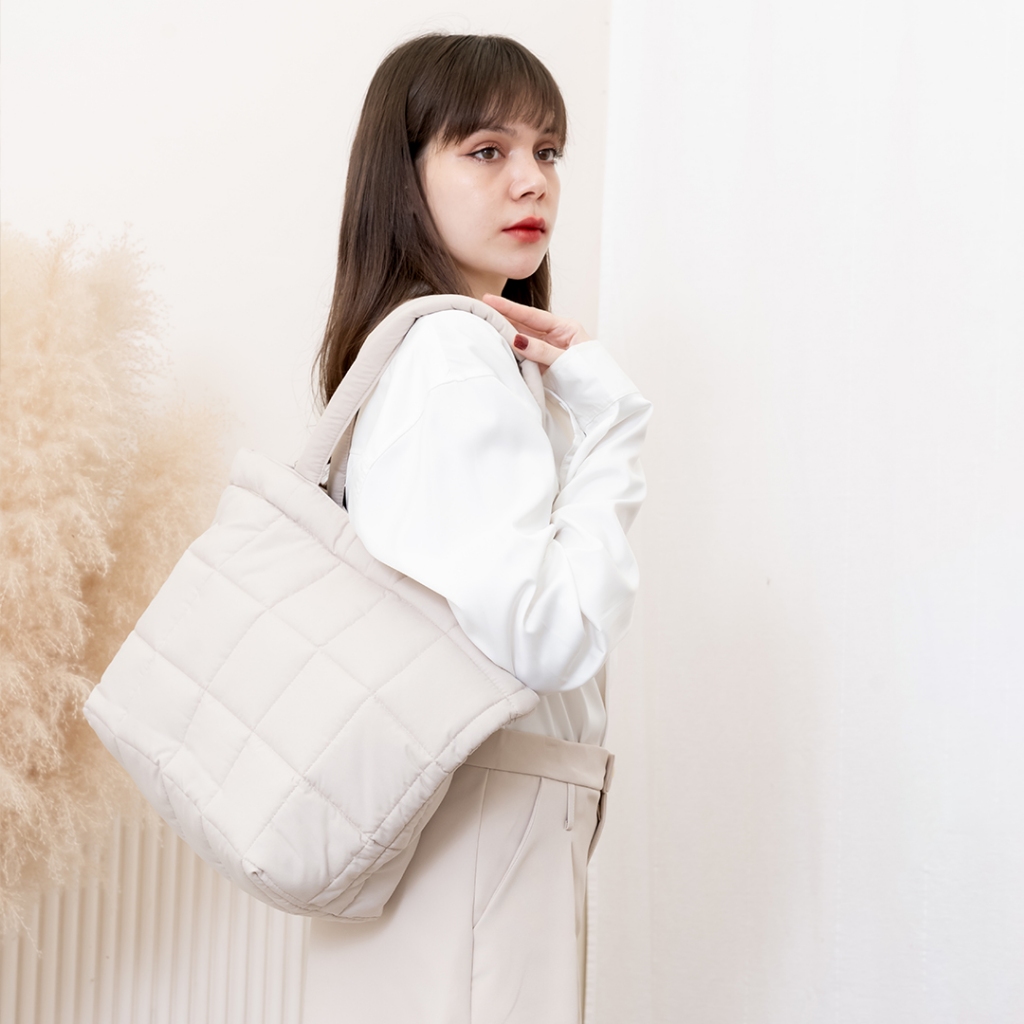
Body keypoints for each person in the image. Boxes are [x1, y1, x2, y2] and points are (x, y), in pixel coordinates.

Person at [302, 32, 652, 1024]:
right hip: (485, 836)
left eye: (548, 151)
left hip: (432, 833)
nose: (531, 181)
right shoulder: (454, 353)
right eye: (486, 150)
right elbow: (550, 636)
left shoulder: (416, 353)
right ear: (403, 177)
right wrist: (616, 425)